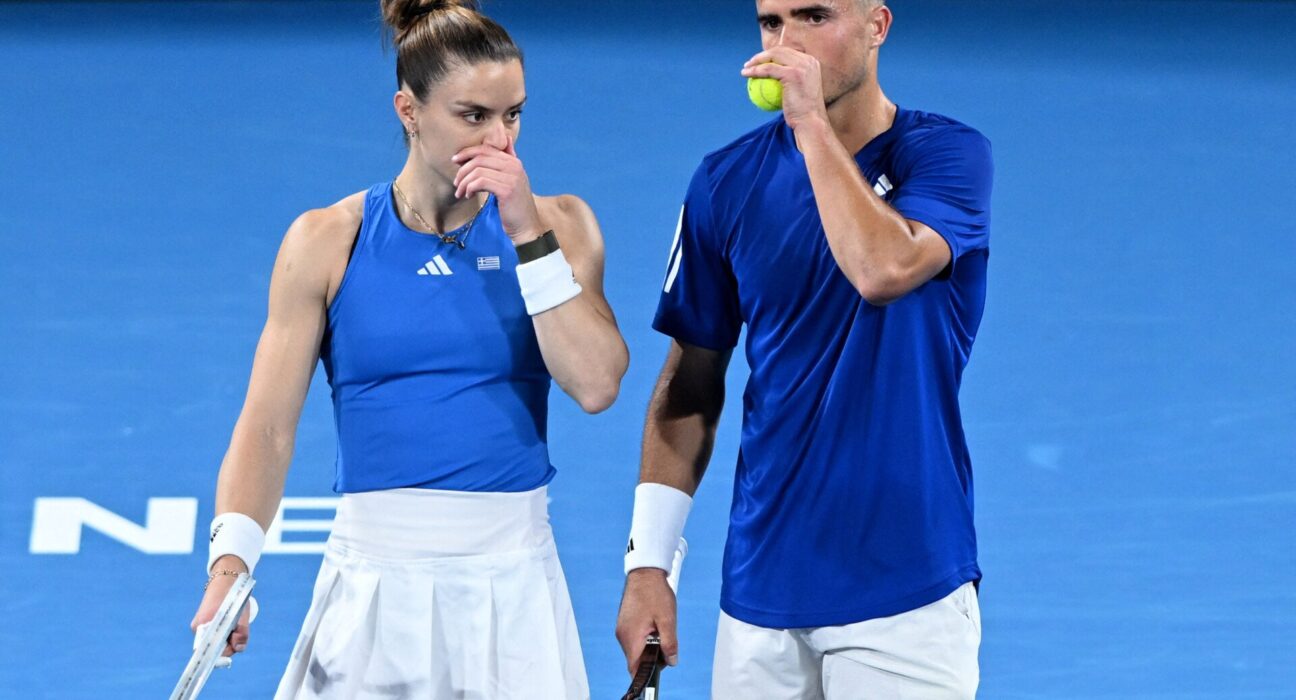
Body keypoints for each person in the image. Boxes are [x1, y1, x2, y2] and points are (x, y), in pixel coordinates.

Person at [188, 1, 628, 697]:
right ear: (409, 111)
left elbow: (598, 385)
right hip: (372, 585)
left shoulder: (559, 226)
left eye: (513, 115)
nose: (500, 141)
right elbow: (267, 428)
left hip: (512, 586)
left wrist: (526, 235)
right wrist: (230, 566)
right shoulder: (327, 240)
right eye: (473, 115)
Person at [615, 0, 992, 697]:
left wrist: (810, 125)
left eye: (815, 16)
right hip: (760, 594)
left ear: (878, 26)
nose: (786, 44)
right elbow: (690, 385)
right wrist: (649, 564)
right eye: (771, 22)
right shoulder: (725, 183)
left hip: (906, 594)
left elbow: (883, 269)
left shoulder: (946, 156)